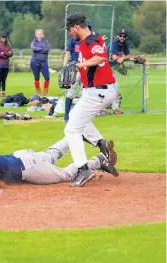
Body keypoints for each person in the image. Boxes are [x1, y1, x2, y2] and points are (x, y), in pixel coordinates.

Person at [0, 136, 118, 192]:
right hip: (22, 157)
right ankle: (76, 133)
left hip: (30, 170)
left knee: (66, 175)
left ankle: (98, 160)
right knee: (50, 155)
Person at [64, 12, 117, 187]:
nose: (70, 32)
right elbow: (99, 49)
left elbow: (101, 55)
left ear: (77, 27)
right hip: (97, 90)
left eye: (70, 29)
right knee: (75, 117)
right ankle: (101, 144)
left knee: (71, 129)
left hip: (98, 91)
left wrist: (82, 64)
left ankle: (83, 168)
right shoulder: (93, 39)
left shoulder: (90, 41)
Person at [63, 20, 92, 124]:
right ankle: (66, 116)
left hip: (86, 67)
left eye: (88, 27)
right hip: (74, 67)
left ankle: (82, 117)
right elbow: (68, 53)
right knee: (70, 92)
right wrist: (64, 66)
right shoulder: (73, 39)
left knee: (84, 93)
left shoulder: (91, 41)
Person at [110, 28, 131, 115]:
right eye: (121, 35)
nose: (122, 37)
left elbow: (129, 56)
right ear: (117, 36)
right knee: (108, 88)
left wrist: (122, 58)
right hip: (104, 67)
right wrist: (121, 58)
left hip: (111, 68)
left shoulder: (124, 44)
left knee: (115, 87)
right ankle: (103, 109)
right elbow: (114, 58)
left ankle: (115, 109)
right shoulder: (114, 43)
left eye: (124, 36)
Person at [30, 29, 50, 96]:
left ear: (42, 34)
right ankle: (38, 93)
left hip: (44, 63)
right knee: (36, 78)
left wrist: (38, 50)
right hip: (34, 62)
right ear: (36, 35)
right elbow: (33, 48)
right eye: (38, 34)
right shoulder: (34, 42)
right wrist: (42, 49)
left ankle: (45, 93)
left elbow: (47, 49)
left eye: (40, 34)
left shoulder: (46, 42)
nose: (39, 35)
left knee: (47, 78)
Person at [0, 33, 13, 97]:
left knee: (4, 80)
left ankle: (3, 92)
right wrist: (7, 54)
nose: (3, 39)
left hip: (6, 65)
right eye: (2, 37)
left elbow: (11, 54)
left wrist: (4, 53)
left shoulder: (8, 45)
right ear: (0, 38)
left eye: (4, 38)